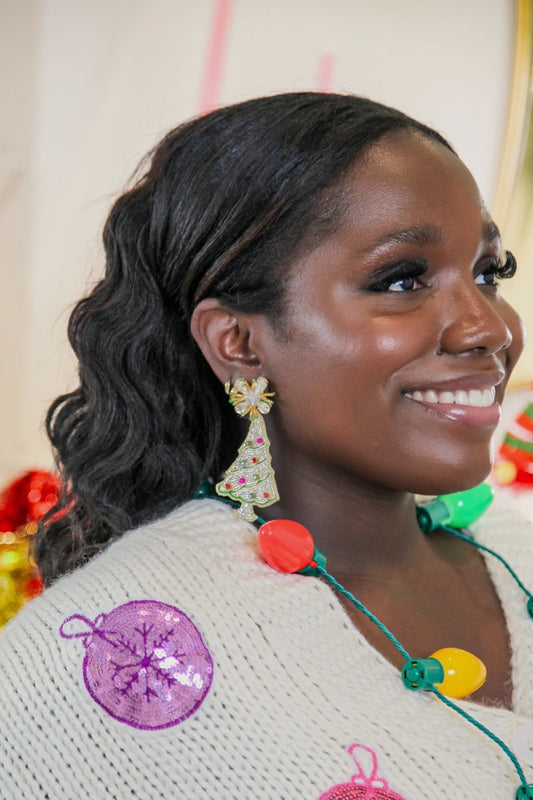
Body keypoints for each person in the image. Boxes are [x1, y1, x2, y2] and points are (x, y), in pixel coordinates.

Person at [0, 92, 531, 799]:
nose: (485, 328)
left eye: (489, 273)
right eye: (402, 280)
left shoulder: (513, 544)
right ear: (240, 343)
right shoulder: (102, 653)